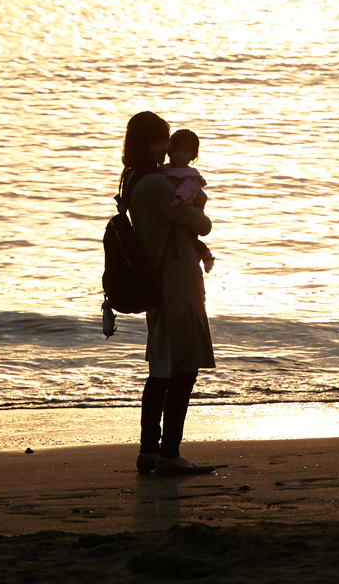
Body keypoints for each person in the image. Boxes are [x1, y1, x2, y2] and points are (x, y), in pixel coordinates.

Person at [118, 110, 218, 476]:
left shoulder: (133, 180)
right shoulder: (158, 185)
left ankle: (149, 451)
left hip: (157, 280)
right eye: (160, 141)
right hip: (176, 281)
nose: (166, 148)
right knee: (183, 367)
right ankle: (170, 453)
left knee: (161, 367)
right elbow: (200, 223)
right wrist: (199, 207)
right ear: (146, 143)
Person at [162, 128, 215, 273]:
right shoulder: (163, 170)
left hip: (186, 205)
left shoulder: (190, 175)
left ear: (193, 156)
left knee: (191, 239)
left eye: (185, 152)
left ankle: (206, 256)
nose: (179, 154)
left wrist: (180, 198)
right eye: (176, 150)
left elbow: (189, 188)